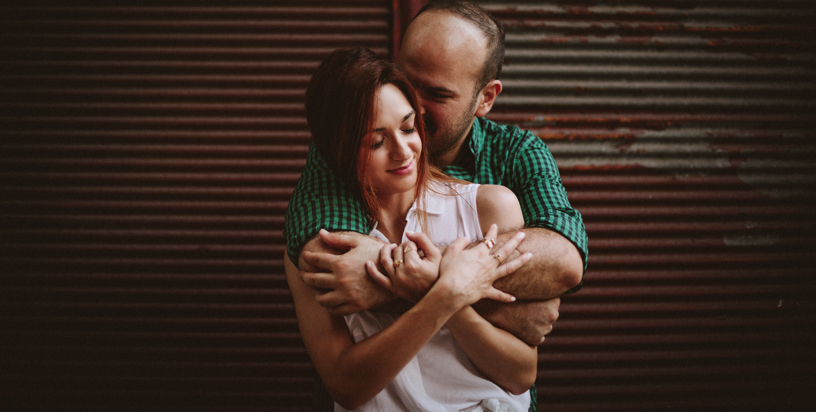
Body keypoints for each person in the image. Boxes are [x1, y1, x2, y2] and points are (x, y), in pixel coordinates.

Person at [285, 0, 587, 348]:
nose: (412, 103)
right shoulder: (349, 143)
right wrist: (501, 305)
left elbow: (563, 260)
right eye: (406, 80)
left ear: (485, 98)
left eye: (437, 94)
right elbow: (334, 268)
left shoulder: (517, 153)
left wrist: (408, 277)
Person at [287, 47, 538, 411]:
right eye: (376, 141)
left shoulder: (487, 207)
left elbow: (521, 373)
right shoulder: (323, 248)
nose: (403, 151)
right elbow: (345, 384)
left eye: (408, 127)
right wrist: (443, 295)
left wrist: (444, 296)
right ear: (337, 151)